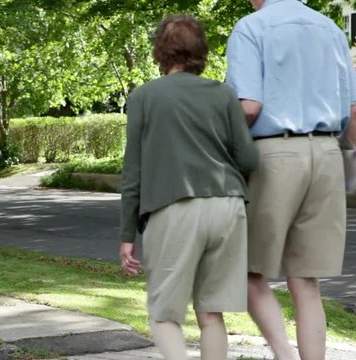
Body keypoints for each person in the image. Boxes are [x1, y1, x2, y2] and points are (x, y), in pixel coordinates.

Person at [225, 1, 356, 359]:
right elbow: (354, 110)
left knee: (248, 271)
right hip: (326, 155)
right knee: (306, 281)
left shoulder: (251, 27)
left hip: (274, 154)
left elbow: (249, 106)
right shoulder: (329, 28)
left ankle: (284, 355)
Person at [119, 15, 259, 360]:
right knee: (211, 314)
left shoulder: (143, 97)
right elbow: (249, 158)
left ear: (160, 52)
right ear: (201, 51)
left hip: (174, 206)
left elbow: (133, 171)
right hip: (227, 207)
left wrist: (127, 235)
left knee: (165, 314)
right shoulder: (224, 95)